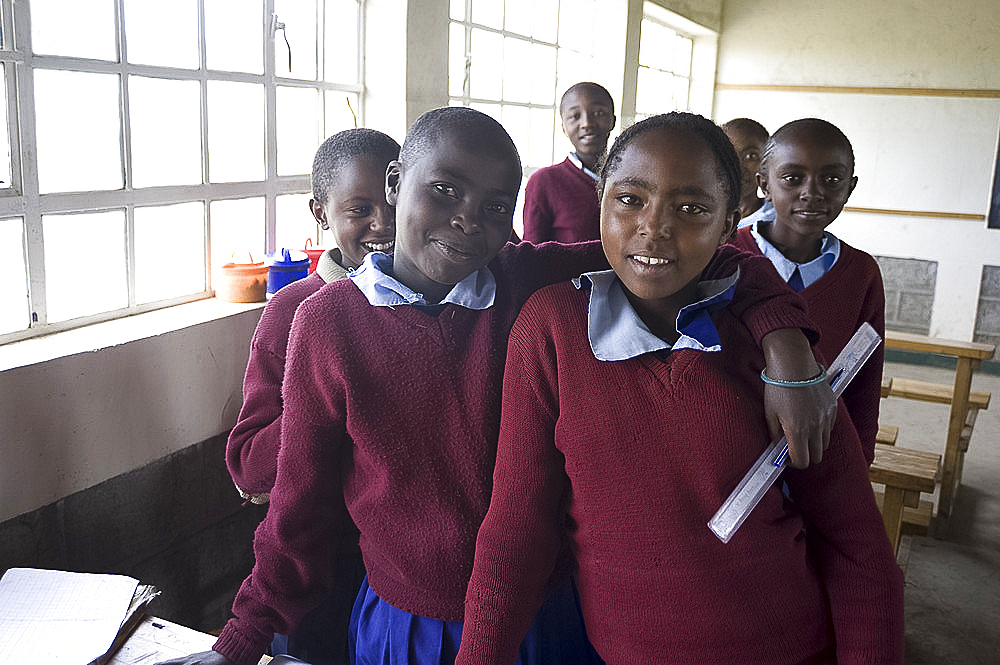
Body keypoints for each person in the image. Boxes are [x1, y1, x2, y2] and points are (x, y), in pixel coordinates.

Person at [159, 107, 834, 665]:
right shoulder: (324, 324)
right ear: (397, 182)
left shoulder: (527, 280)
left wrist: (786, 345)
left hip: (545, 611)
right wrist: (241, 640)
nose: (466, 220)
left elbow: (712, 255)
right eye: (444, 189)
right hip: (406, 624)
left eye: (494, 206)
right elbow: (296, 511)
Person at [456, 112, 904, 665]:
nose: (654, 228)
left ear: (730, 223)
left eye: (691, 208)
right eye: (630, 199)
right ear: (601, 200)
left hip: (787, 643)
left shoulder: (776, 351)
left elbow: (856, 544)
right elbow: (515, 530)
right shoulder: (550, 330)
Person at [225, 128, 400, 665]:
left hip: (399, 575)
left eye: (394, 200)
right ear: (320, 212)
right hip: (317, 572)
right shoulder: (295, 310)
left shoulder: (432, 304)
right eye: (360, 209)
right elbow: (249, 468)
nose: (383, 224)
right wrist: (330, 393)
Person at [730, 118, 884, 463]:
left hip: (822, 451)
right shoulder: (726, 259)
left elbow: (865, 382)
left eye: (831, 179)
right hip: (735, 453)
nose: (811, 193)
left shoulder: (861, 273)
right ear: (764, 184)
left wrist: (860, 460)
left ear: (850, 187)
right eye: (792, 178)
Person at [521, 82, 616, 243]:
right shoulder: (545, 181)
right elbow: (532, 252)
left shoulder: (630, 177)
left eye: (599, 113)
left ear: (612, 120)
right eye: (574, 116)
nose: (587, 123)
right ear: (564, 127)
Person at [722, 117, 771, 226]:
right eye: (729, 155)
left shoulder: (774, 220)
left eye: (751, 156)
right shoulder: (703, 215)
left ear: (767, 163)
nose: (738, 166)